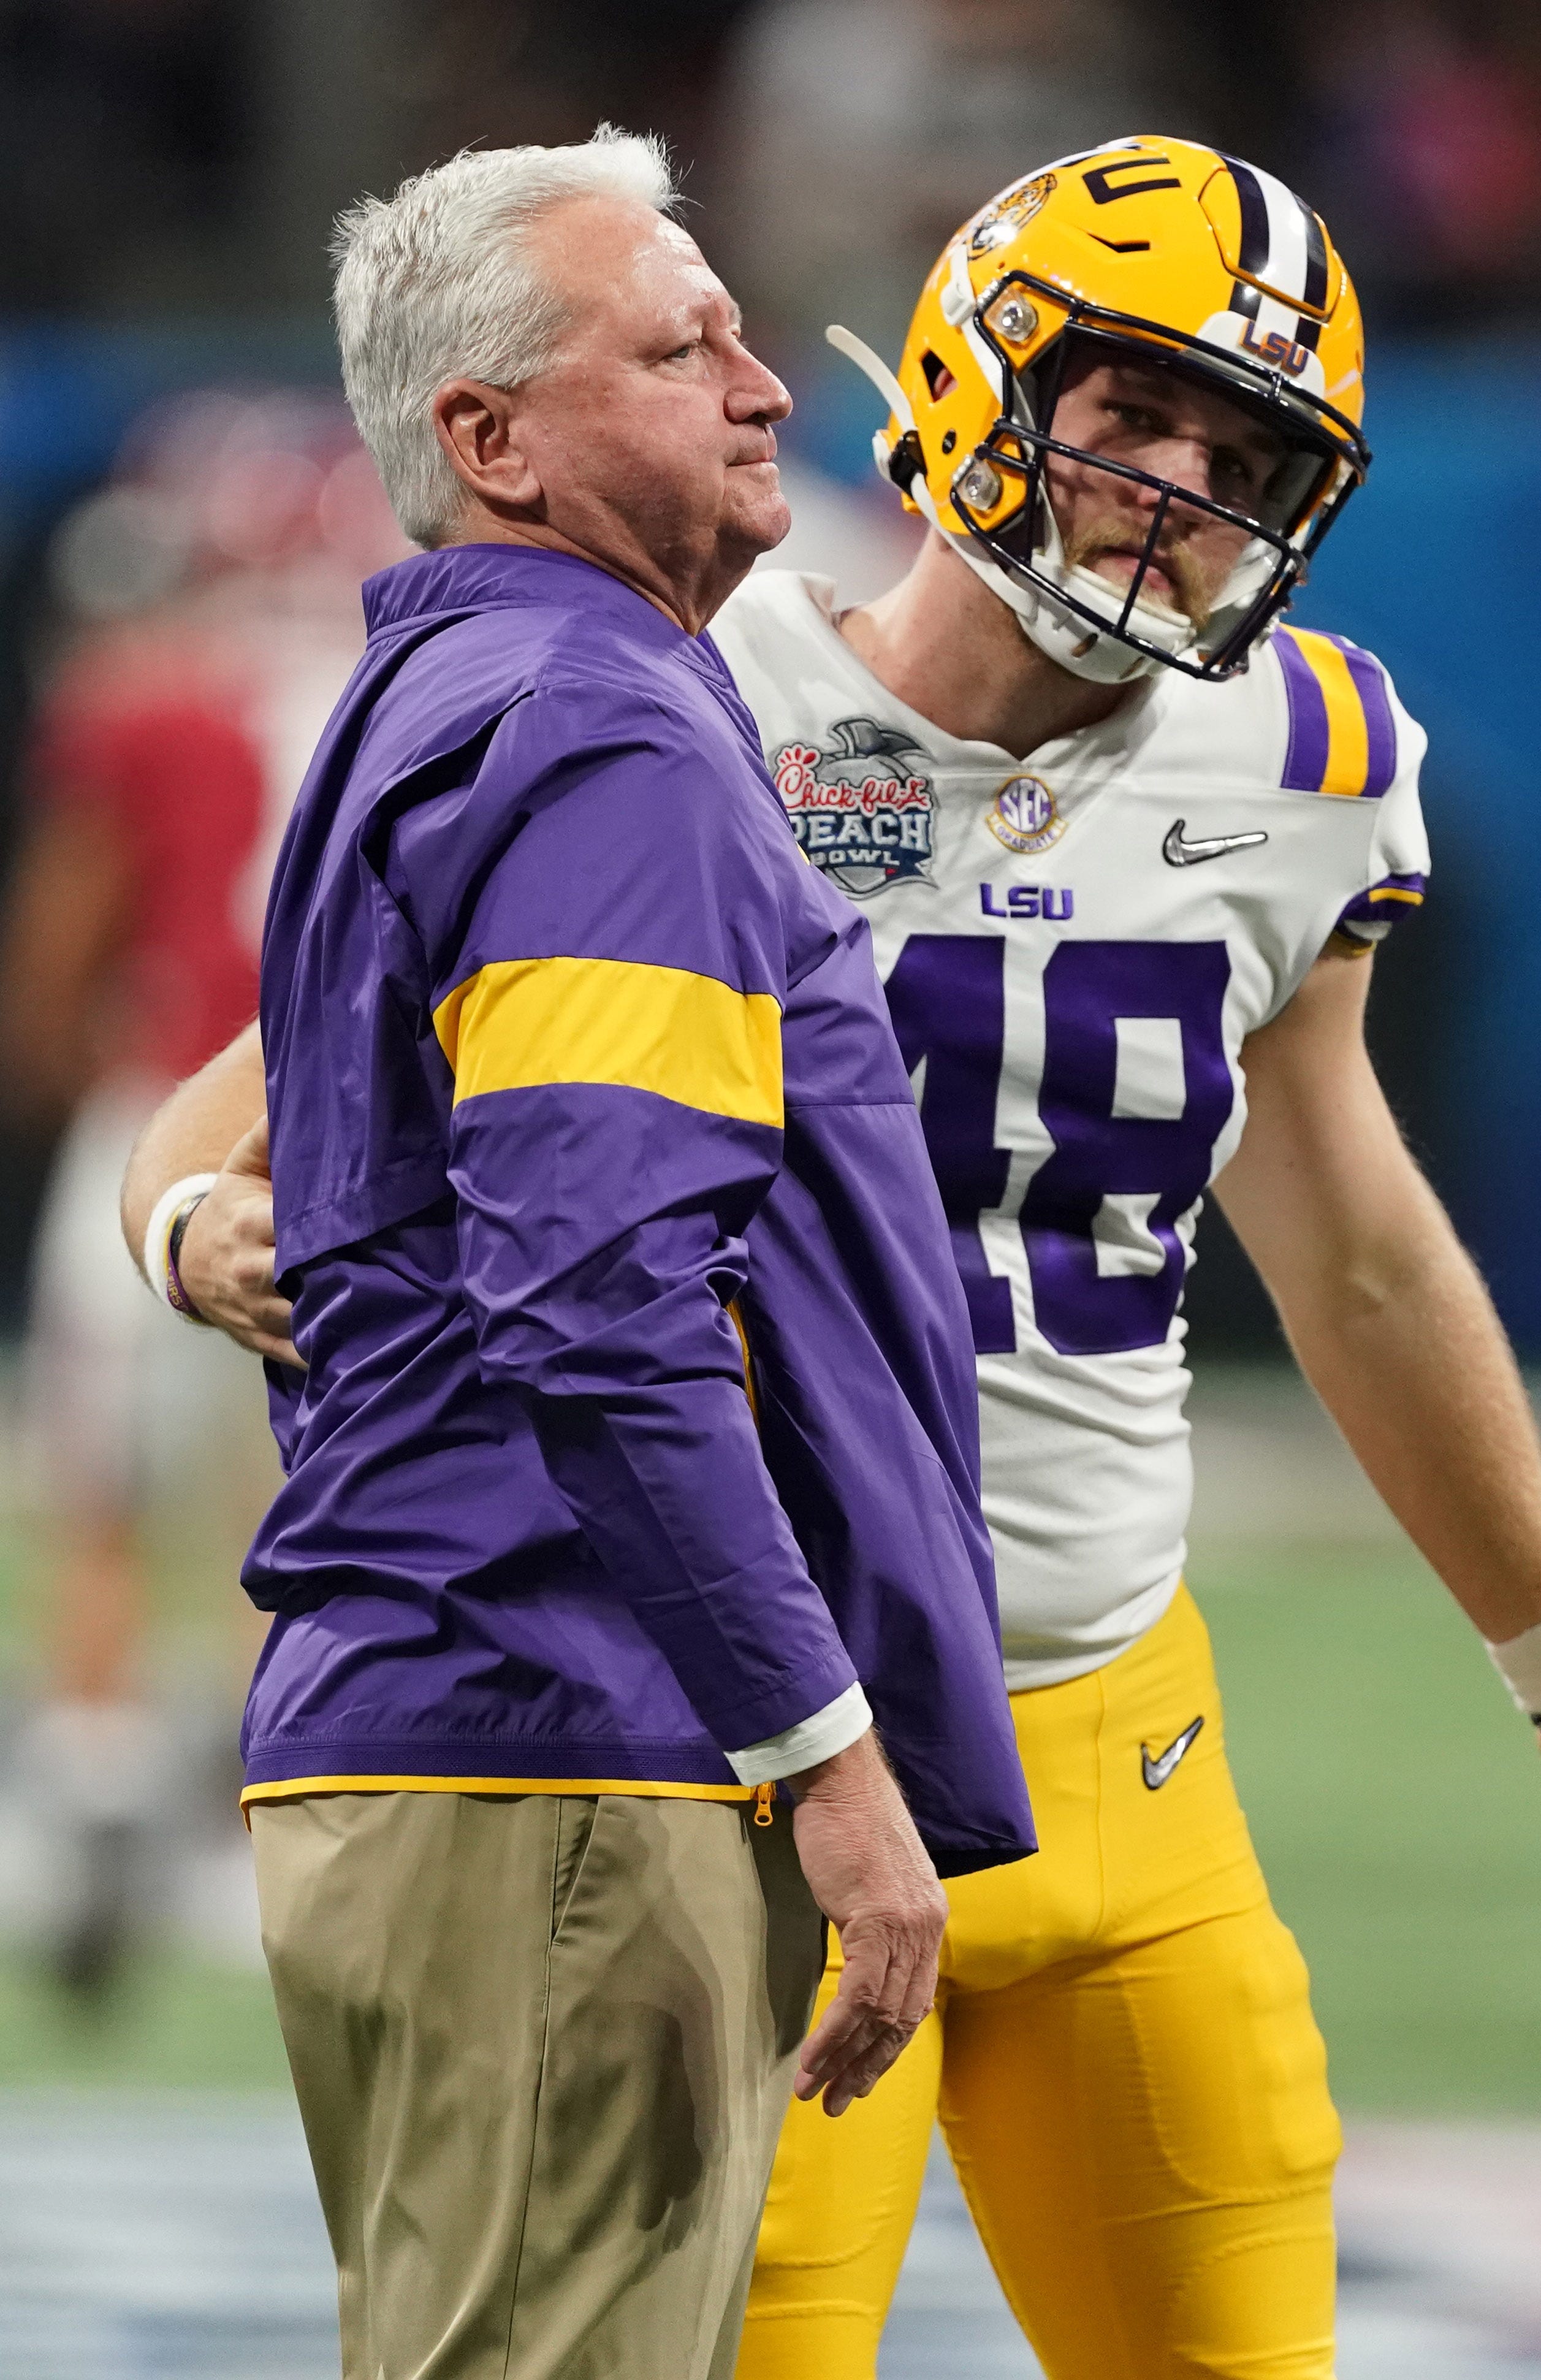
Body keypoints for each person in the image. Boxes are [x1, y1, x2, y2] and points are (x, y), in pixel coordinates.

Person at [126, 135, 1541, 2380]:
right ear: (985, 382)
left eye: (1250, 453)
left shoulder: (1312, 753)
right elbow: (241, 1105)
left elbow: (1354, 1244)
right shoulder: (693, 697)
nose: (1186, 485)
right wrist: (191, 1222)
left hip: (1120, 1742)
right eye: (1139, 414)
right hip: (771, 1750)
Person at [124, 131, 1033, 2380]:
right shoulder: (604, 728)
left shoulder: (459, 694)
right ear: (490, 437)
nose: (759, 383)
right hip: (566, 1727)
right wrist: (823, 1751)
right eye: (679, 341)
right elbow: (603, 1308)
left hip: (459, 1725)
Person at [0, 394, 392, 1997]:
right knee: (292, 1490)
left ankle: (97, 1771)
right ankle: (273, 1804)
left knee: (106, 1481)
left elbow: (62, 946)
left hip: (168, 1123)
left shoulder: (146, 697)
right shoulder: (396, 687)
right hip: (360, 1137)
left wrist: (52, 1064)